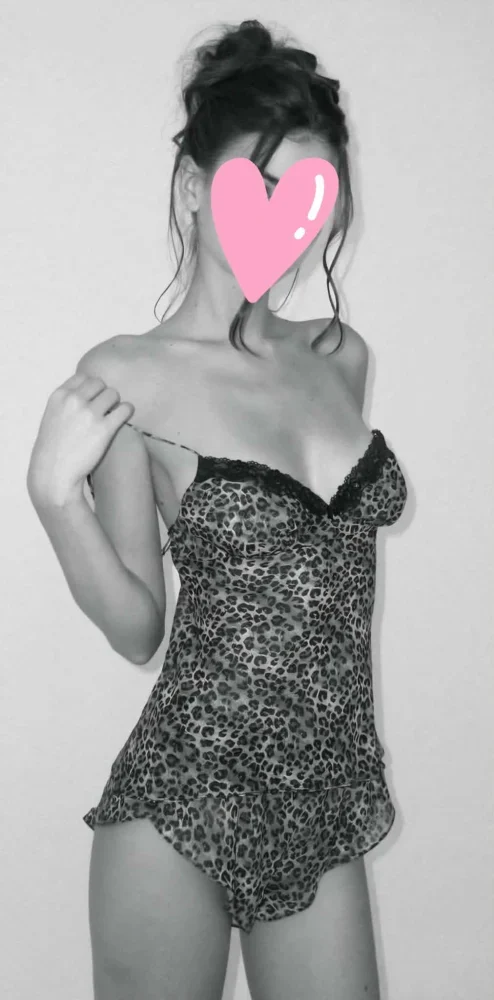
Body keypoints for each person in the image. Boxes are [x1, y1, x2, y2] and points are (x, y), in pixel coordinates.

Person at [26, 18, 408, 1000]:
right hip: (179, 800)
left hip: (317, 802)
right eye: (263, 185)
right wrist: (53, 498)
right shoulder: (127, 375)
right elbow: (137, 627)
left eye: (312, 193)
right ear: (197, 189)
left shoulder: (338, 358)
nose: (291, 218)